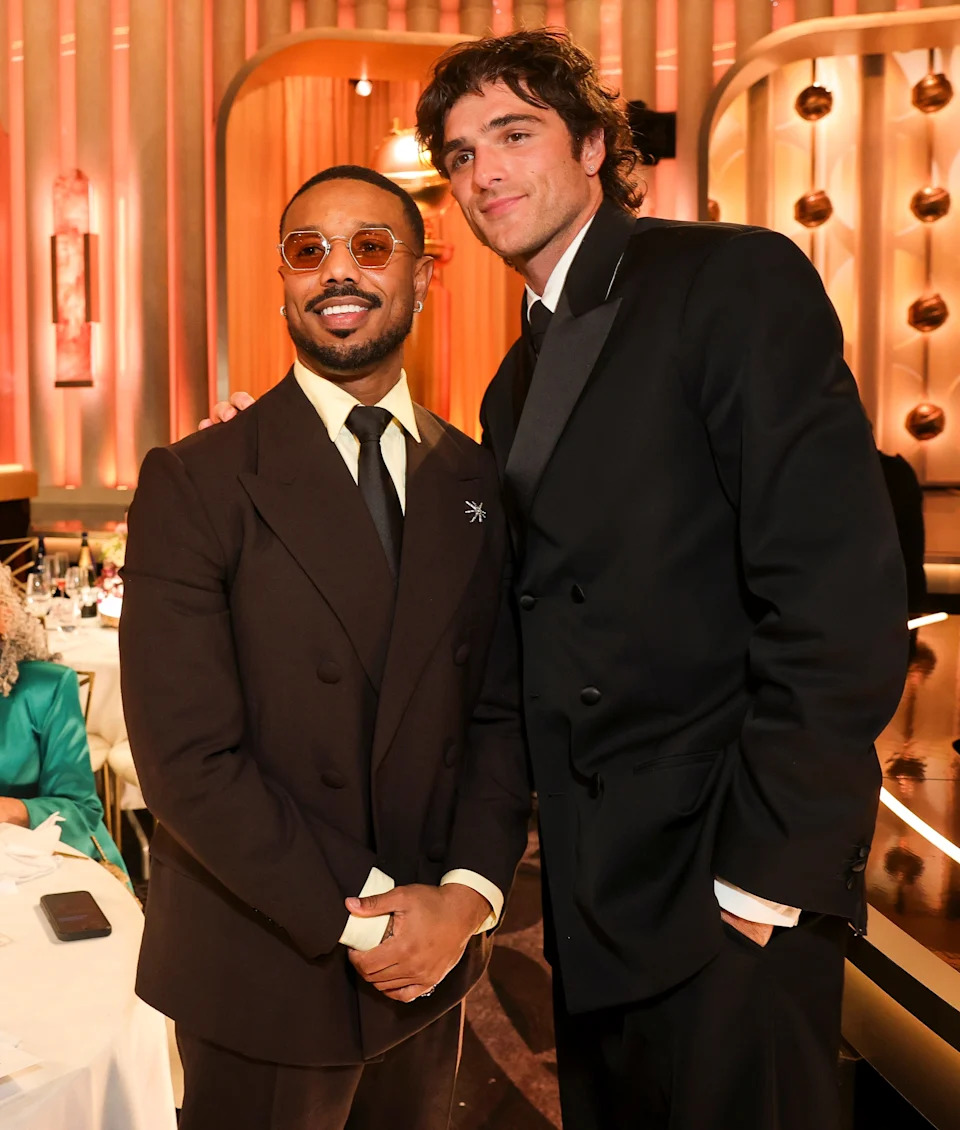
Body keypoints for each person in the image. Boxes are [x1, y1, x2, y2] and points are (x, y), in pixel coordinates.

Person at [208, 31, 909, 1130]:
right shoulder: (511, 379)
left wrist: (765, 875)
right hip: (593, 894)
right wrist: (284, 483)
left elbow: (840, 597)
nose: (481, 171)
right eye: (457, 153)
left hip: (724, 876)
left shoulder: (730, 281)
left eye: (513, 133)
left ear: (593, 145)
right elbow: (490, 613)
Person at [120, 165, 529, 1130]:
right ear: (283, 280)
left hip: (429, 966)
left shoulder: (472, 479)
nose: (337, 272)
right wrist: (375, 913)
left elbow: (501, 717)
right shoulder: (198, 479)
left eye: (370, 247)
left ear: (427, 277)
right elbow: (187, 762)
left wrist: (466, 900)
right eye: (310, 251)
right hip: (269, 957)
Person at [0, 564, 127, 876]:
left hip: (40, 863)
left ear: (4, 618)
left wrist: (13, 810)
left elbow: (82, 812)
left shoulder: (46, 688)